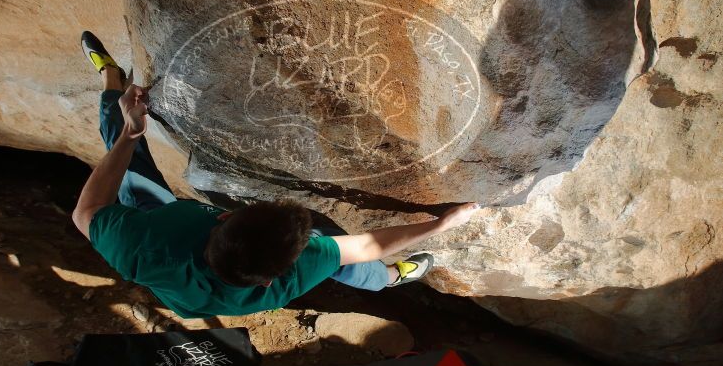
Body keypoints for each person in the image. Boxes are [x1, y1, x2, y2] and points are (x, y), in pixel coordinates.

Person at [72, 31, 480, 318]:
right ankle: (389, 280)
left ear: (225, 216)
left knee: (123, 156)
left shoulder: (141, 244)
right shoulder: (293, 276)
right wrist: (440, 223)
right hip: (186, 272)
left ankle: (111, 77)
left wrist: (131, 132)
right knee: (342, 258)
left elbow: (87, 210)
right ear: (273, 280)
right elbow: (366, 246)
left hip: (164, 237)